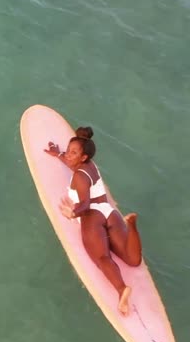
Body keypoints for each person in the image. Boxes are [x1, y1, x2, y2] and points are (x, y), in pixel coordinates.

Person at [44, 126, 142, 316]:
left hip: (92, 216)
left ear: (83, 157)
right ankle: (131, 225)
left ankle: (122, 289)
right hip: (108, 211)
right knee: (133, 259)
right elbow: (71, 162)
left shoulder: (80, 176)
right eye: (68, 150)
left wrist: (73, 214)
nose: (69, 155)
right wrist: (58, 154)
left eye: (73, 153)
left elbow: (85, 203)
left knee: (102, 258)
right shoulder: (89, 166)